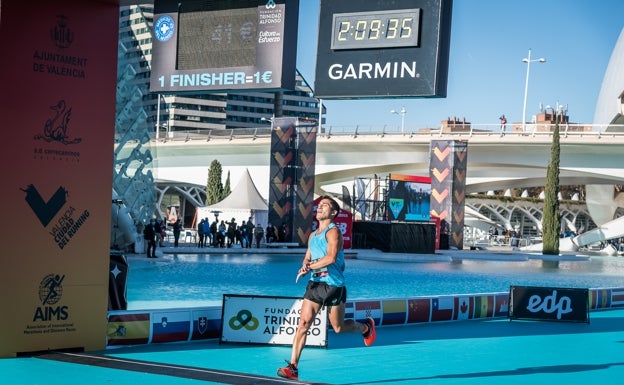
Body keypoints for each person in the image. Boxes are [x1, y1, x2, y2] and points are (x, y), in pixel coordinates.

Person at [277, 196, 376, 380]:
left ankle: (365, 328)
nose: (320, 207)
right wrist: (305, 265)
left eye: (325, 206)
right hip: (315, 284)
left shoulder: (334, 233)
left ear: (333, 213)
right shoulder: (313, 236)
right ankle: (293, 368)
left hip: (333, 285)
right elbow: (308, 257)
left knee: (338, 327)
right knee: (303, 324)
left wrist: (310, 265)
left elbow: (330, 258)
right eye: (320, 205)